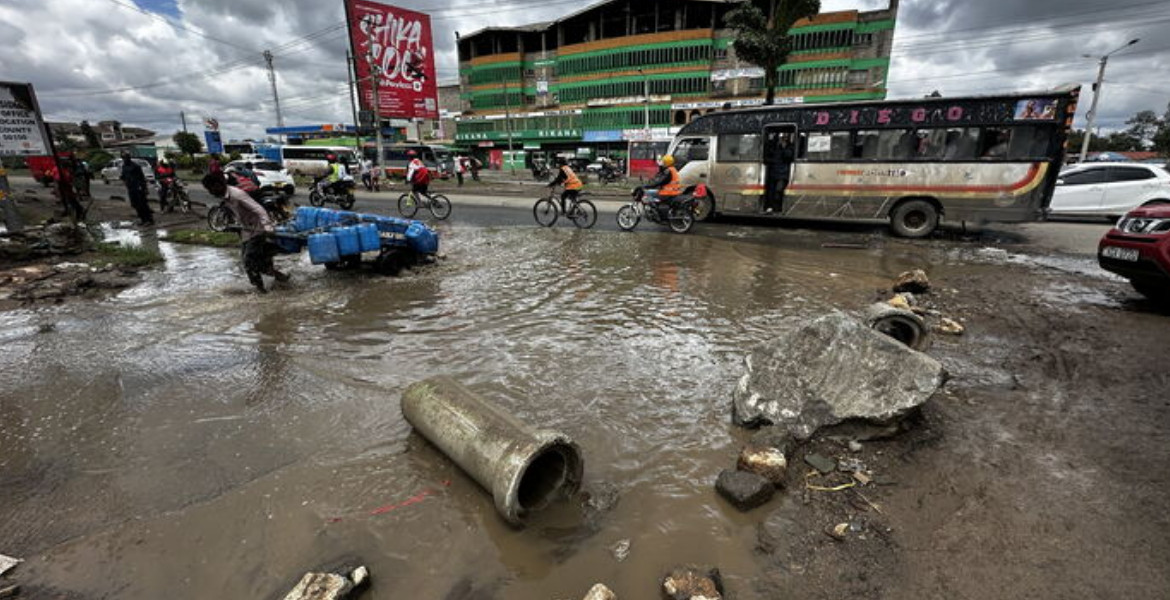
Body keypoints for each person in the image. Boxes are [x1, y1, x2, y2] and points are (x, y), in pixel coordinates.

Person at [202, 172, 289, 293]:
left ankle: (261, 292)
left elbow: (259, 210)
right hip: (247, 231)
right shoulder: (226, 197)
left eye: (210, 189)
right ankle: (282, 279)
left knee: (248, 261)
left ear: (218, 185)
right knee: (260, 263)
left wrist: (267, 227)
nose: (210, 192)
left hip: (258, 230)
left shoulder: (236, 195)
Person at [121, 152, 153, 226]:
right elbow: (123, 176)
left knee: (143, 204)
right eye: (123, 158)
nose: (125, 159)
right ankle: (142, 219)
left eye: (126, 158)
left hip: (138, 187)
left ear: (129, 158)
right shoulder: (124, 166)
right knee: (135, 204)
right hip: (130, 188)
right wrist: (124, 180)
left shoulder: (135, 166)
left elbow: (142, 178)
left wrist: (145, 188)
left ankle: (149, 220)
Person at [765, 134, 794, 214]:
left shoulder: (790, 147)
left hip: (783, 174)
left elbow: (789, 156)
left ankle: (778, 208)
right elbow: (769, 156)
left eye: (784, 138)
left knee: (778, 191)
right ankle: (771, 207)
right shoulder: (775, 147)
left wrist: (784, 147)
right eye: (782, 138)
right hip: (774, 173)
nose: (783, 139)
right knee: (771, 192)